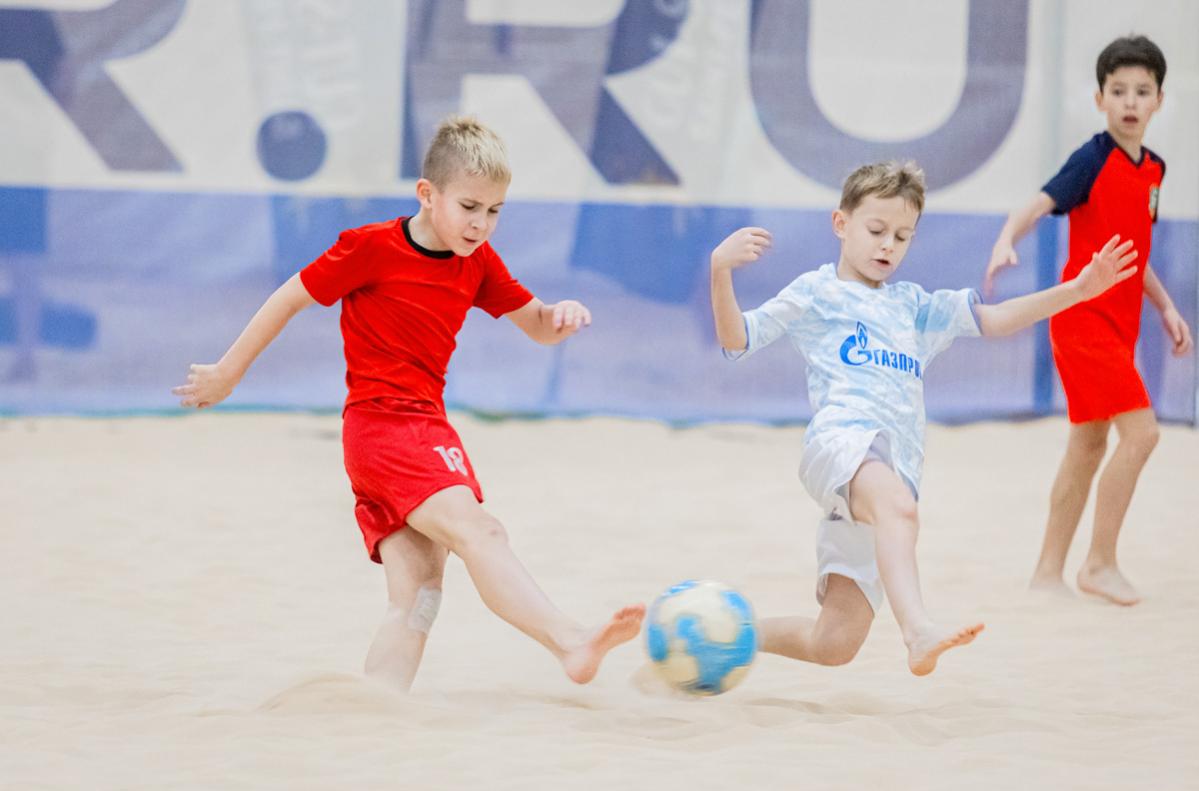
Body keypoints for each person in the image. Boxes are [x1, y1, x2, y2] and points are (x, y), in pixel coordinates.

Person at [174, 116, 644, 691]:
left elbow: (539, 325)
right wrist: (228, 372)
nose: (481, 223)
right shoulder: (369, 247)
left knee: (419, 596)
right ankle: (569, 641)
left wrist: (560, 316)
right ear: (427, 193)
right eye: (469, 206)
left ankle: (379, 701)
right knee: (483, 533)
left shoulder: (478, 262)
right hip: (389, 428)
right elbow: (289, 298)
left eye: (494, 211)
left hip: (399, 434)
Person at [710, 160, 1138, 675]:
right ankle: (917, 632)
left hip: (894, 469)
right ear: (841, 223)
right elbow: (737, 338)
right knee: (901, 510)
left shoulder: (913, 306)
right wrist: (720, 270)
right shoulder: (816, 291)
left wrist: (1077, 292)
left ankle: (733, 635)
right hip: (842, 443)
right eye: (876, 230)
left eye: (902, 236)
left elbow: (995, 319)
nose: (887, 245)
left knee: (835, 643)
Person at [984, 35, 1192, 605]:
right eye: (1118, 91)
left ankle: (1047, 573)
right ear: (1100, 99)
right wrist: (1006, 239)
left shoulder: (1154, 170)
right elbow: (1037, 203)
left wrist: (1166, 306)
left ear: (1159, 101)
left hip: (1120, 327)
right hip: (1081, 319)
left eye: (1141, 91)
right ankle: (1099, 563)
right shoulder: (1091, 160)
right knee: (1143, 435)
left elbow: (1134, 252)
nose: (1130, 101)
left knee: (1088, 445)